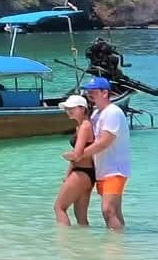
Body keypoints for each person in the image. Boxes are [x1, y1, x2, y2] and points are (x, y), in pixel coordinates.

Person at [78, 76, 131, 230]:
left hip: (115, 170)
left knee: (107, 210)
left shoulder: (113, 112)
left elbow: (104, 142)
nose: (89, 94)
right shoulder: (96, 114)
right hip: (103, 170)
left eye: (93, 91)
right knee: (114, 211)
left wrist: (79, 155)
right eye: (88, 91)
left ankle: (115, 247)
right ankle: (119, 245)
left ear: (104, 93)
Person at [55, 94, 95, 226]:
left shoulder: (84, 126)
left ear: (83, 108)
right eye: (67, 108)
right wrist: (67, 175)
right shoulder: (82, 126)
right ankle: (82, 245)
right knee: (81, 217)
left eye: (72, 108)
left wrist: (67, 155)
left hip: (81, 173)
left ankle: (63, 242)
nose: (68, 110)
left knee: (59, 208)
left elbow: (77, 154)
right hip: (88, 174)